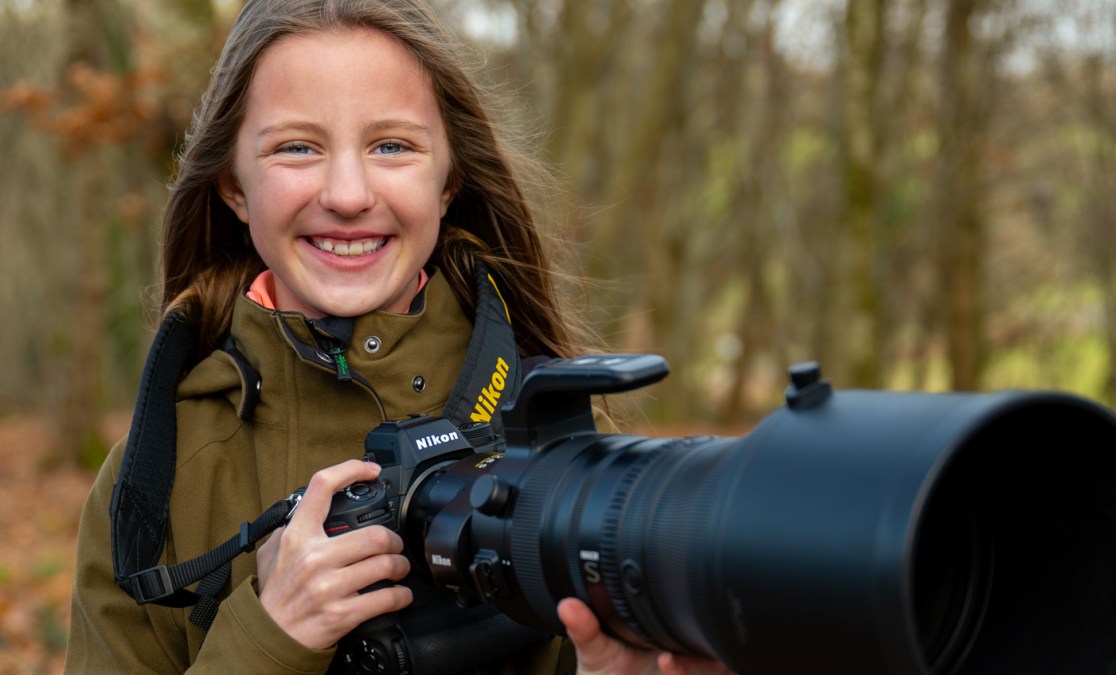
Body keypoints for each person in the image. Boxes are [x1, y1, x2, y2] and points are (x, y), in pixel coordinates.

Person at [65, 1, 732, 673]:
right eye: (297, 146)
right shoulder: (155, 482)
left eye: (392, 145)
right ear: (234, 185)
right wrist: (268, 633)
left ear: (449, 181)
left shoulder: (546, 426)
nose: (349, 194)